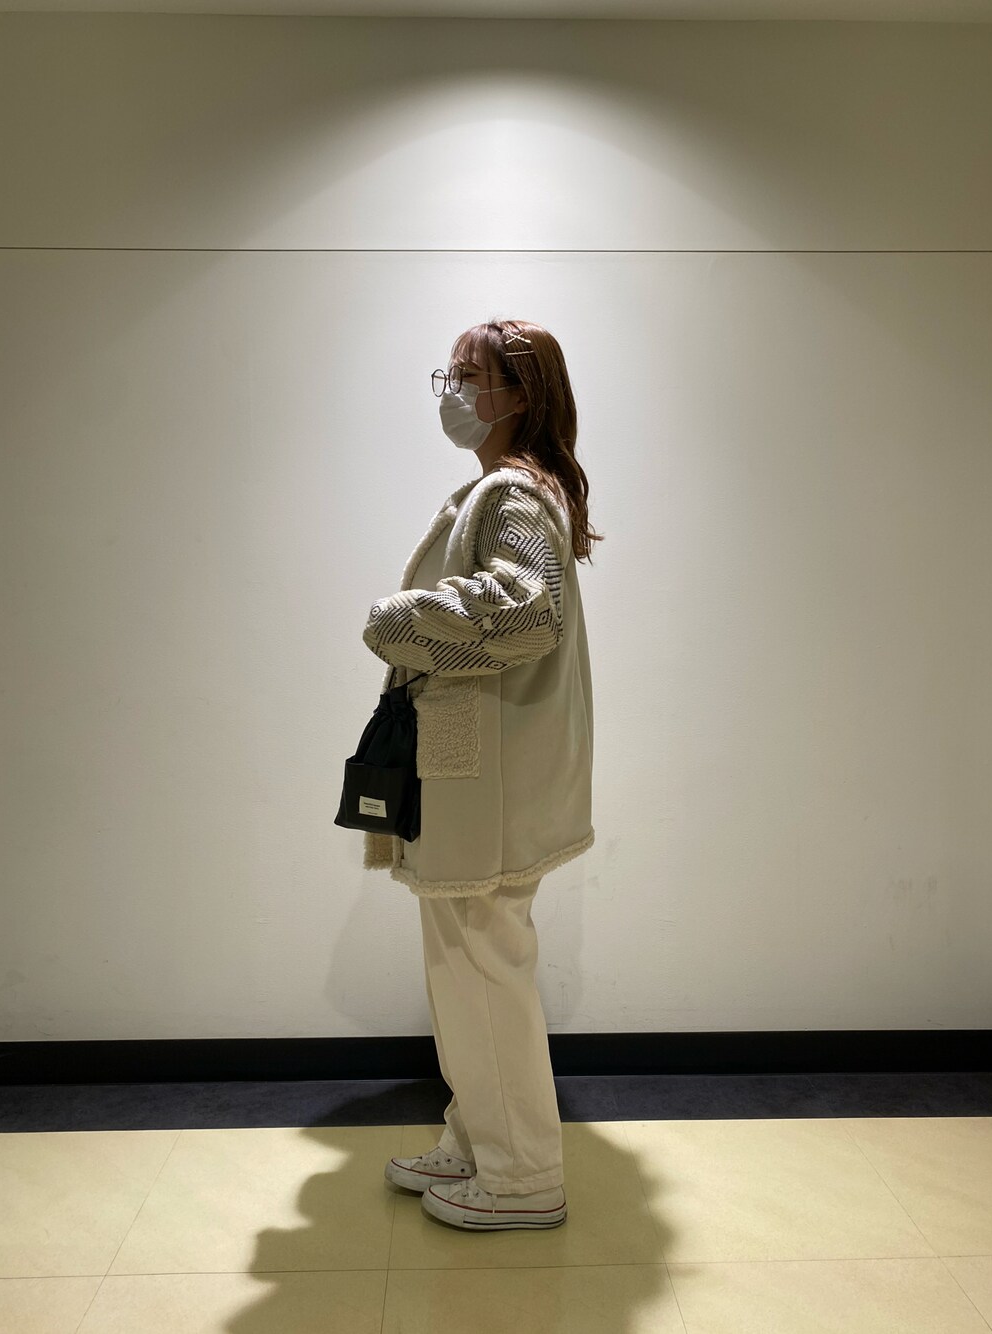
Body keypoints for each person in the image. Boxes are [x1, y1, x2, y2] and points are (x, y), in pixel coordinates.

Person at [362, 318, 601, 1230]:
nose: (452, 392)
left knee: (483, 968)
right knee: (464, 968)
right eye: (449, 374)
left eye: (469, 376)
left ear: (520, 394)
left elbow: (527, 615)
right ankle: (479, 1140)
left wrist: (400, 620)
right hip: (478, 772)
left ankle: (523, 1178)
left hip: (488, 782)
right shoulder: (508, 489)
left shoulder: (513, 492)